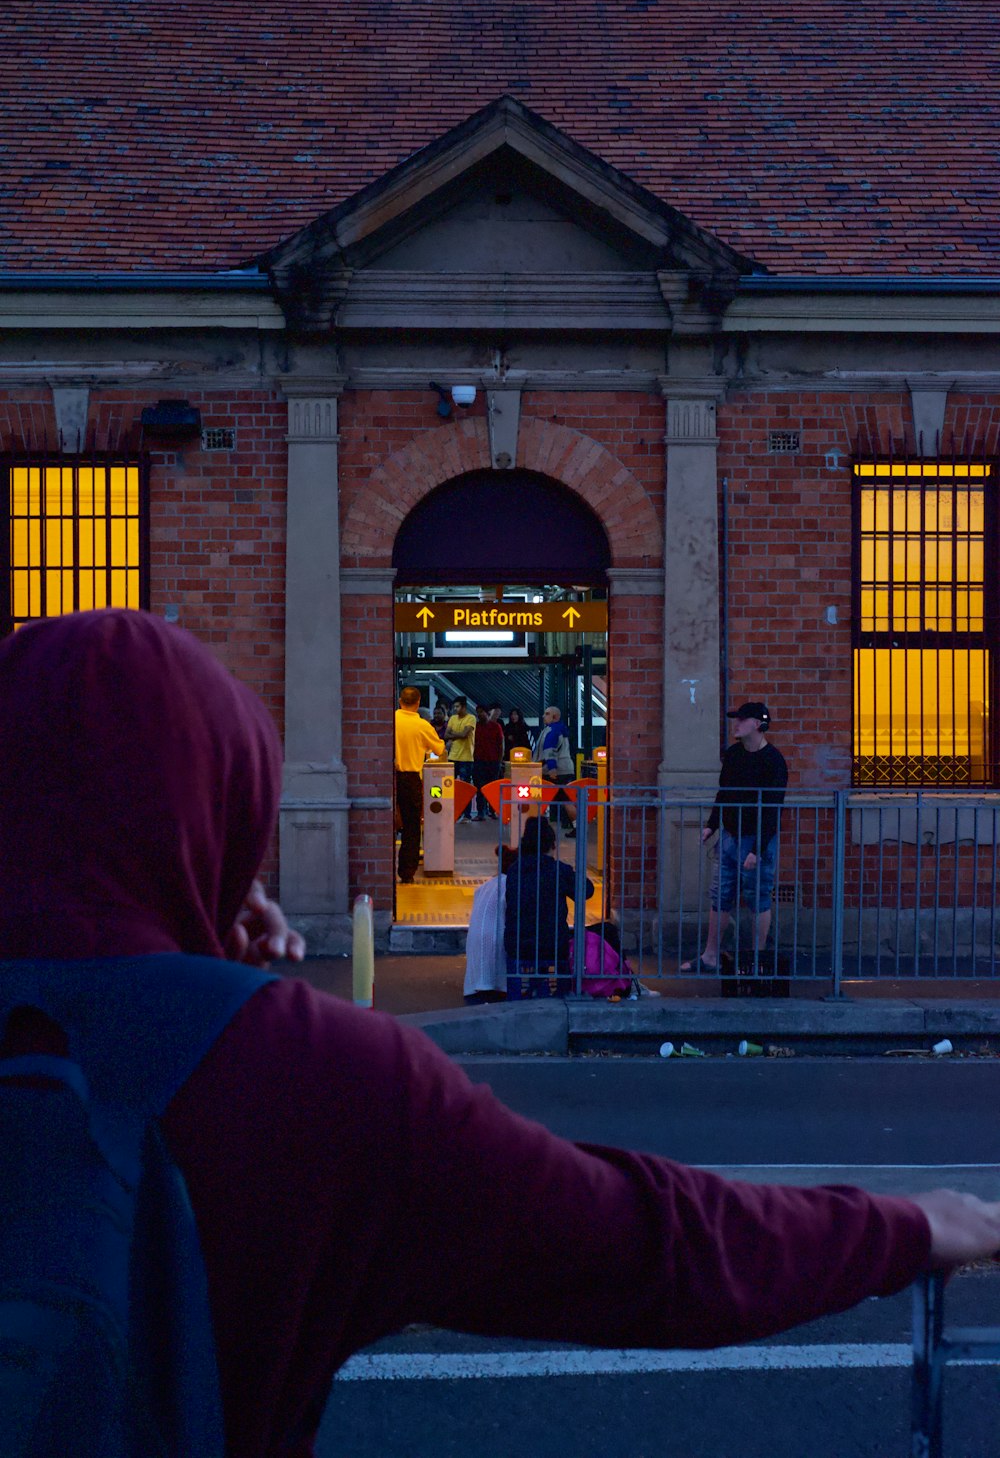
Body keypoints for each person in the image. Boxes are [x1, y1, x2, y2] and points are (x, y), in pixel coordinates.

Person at [4, 611, 1000, 1458]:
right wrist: (902, 1225)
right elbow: (643, 1245)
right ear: (227, 800)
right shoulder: (307, 1078)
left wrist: (179, 927)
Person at [685, 700, 789, 973]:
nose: (736, 724)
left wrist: (757, 849)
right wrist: (712, 825)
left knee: (758, 897)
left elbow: (772, 809)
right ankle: (710, 955)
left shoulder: (773, 761)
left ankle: (757, 958)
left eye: (742, 720)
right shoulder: (733, 754)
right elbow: (725, 793)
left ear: (757, 724)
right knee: (720, 895)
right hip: (730, 837)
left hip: (754, 839)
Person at [504, 816, 594, 999]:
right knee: (554, 943)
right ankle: (556, 993)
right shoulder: (558, 870)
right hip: (553, 943)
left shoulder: (514, 870)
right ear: (551, 845)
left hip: (518, 943)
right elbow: (587, 891)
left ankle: (532, 990)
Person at [394, 686, 446, 884]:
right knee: (411, 826)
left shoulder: (391, 720)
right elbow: (439, 748)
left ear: (400, 701)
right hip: (410, 779)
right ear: (417, 703)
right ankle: (406, 872)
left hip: (388, 776)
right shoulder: (423, 725)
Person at [463, 844, 517, 1005]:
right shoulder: (510, 885)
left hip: (474, 957)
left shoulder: (487, 885)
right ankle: (498, 986)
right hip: (493, 945)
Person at [535, 703, 577, 833]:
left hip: (555, 770)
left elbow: (550, 751)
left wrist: (552, 768)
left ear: (555, 716)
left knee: (539, 797)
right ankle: (577, 826)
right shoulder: (561, 729)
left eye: (547, 714)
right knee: (566, 799)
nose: (543, 716)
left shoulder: (552, 731)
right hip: (565, 768)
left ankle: (536, 828)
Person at [444, 695, 477, 820]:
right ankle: (453, 812)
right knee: (449, 786)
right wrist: (456, 734)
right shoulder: (452, 718)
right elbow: (446, 735)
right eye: (454, 707)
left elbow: (464, 735)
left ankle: (466, 814)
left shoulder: (471, 718)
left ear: (464, 707)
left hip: (466, 758)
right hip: (453, 756)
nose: (455, 709)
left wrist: (453, 734)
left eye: (457, 706)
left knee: (465, 788)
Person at [471, 704, 504, 821]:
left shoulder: (496, 727)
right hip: (478, 761)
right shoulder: (475, 727)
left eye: (482, 712)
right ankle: (481, 812)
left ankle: (492, 811)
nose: (480, 714)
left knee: (492, 788)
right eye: (478, 712)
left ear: (487, 713)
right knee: (479, 787)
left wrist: (499, 761)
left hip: (493, 761)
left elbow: (500, 744)